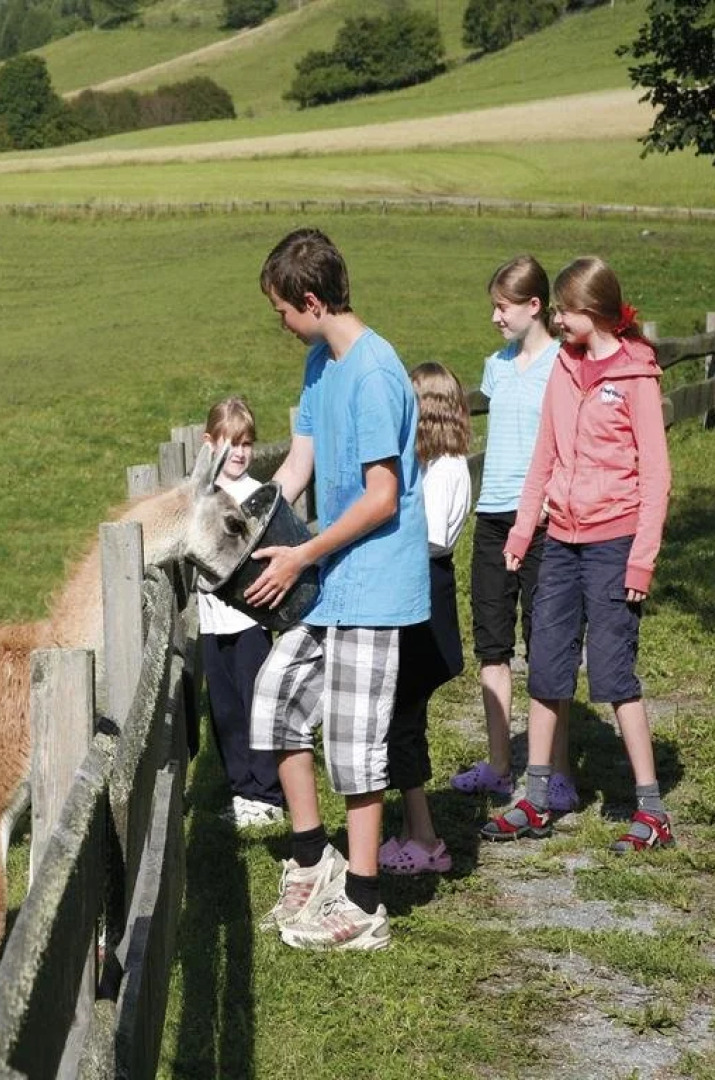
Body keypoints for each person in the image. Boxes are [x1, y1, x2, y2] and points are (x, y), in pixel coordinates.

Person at [246, 227, 430, 950]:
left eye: (283, 313)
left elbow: (382, 497)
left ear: (312, 301)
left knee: (354, 744)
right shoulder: (322, 365)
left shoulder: (378, 373)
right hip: (332, 575)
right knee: (277, 698)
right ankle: (309, 857)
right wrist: (243, 519)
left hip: (375, 581)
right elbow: (298, 466)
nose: (282, 327)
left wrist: (301, 555)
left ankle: (362, 904)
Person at [481, 256, 674, 852]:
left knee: (615, 675)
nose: (558, 319)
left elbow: (657, 478)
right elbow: (545, 457)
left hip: (614, 543)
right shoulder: (565, 368)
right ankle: (535, 800)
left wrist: (641, 558)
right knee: (545, 668)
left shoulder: (637, 377)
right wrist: (520, 531)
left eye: (564, 310)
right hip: (559, 539)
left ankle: (651, 809)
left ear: (591, 312)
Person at [450, 255, 578, 815]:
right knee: (493, 646)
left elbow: (573, 443)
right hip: (493, 518)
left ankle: (558, 773)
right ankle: (501, 767)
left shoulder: (563, 366)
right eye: (492, 307)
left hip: (546, 523)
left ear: (533, 306)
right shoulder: (496, 367)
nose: (495, 317)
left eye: (502, 307)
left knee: (548, 649)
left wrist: (553, 499)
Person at [379, 363, 470, 875]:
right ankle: (418, 833)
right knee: (403, 722)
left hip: (426, 601)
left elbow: (433, 537)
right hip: (421, 597)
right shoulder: (433, 466)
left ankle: (427, 840)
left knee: (405, 723)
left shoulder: (449, 470)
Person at [197, 397, 285, 828]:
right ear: (209, 443)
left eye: (247, 443)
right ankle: (239, 788)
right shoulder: (201, 497)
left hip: (250, 619)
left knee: (257, 703)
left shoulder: (256, 497)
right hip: (212, 620)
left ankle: (267, 792)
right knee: (226, 707)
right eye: (231, 443)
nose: (240, 452)